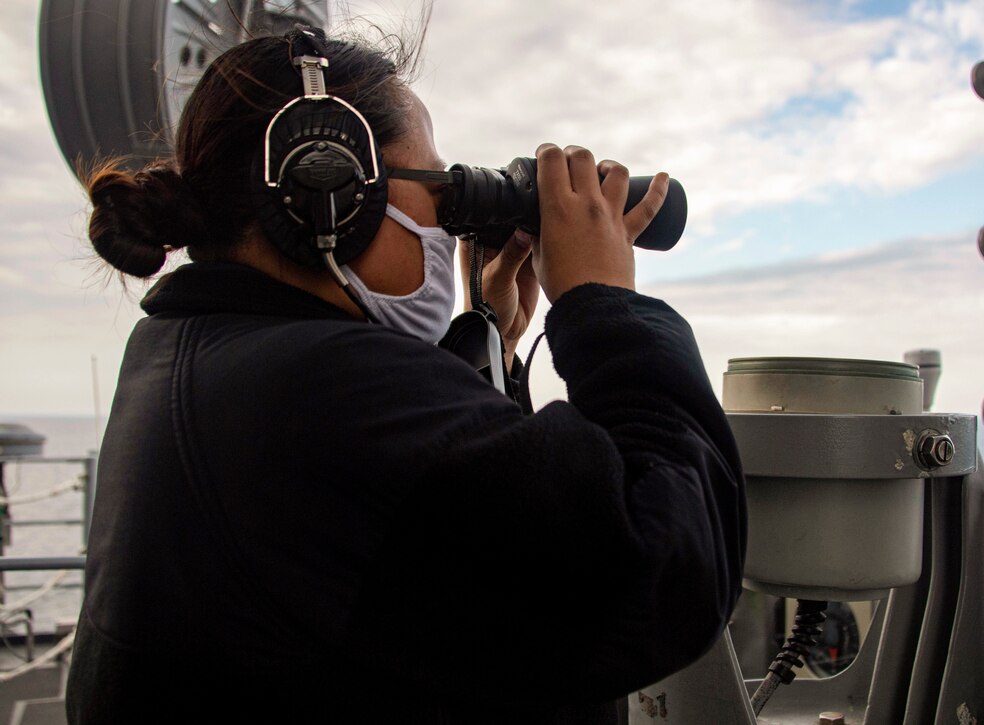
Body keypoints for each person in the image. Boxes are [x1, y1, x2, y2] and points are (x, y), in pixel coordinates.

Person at [65, 25, 746, 725]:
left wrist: (494, 346)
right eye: (437, 189)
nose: (447, 226)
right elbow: (668, 568)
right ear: (329, 191)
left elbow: (439, 545)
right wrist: (606, 304)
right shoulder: (328, 392)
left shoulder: (196, 353)